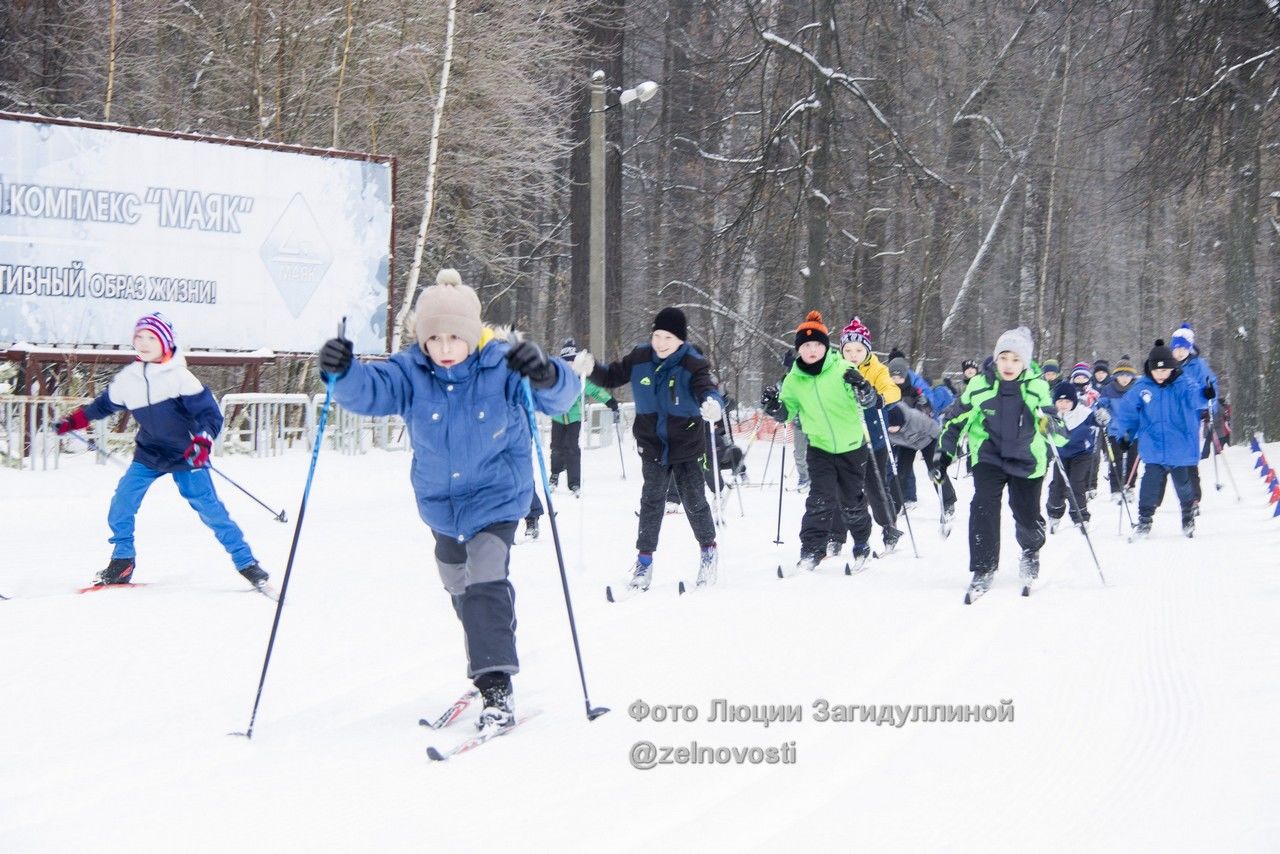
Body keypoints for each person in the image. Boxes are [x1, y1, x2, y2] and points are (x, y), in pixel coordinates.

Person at [317, 269, 577, 730]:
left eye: (453, 337)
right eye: (432, 338)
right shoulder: (409, 372)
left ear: (473, 335)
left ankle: (496, 686)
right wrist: (342, 371)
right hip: (441, 502)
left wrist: (545, 372)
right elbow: (369, 391)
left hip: (497, 496)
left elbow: (561, 398)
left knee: (485, 579)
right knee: (459, 584)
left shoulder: (501, 365)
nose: (443, 348)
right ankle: (488, 649)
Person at [54, 312, 269, 592]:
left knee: (211, 510)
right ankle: (122, 561)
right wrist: (74, 421)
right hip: (150, 454)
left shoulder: (180, 377)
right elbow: (103, 406)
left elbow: (210, 416)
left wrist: (203, 442)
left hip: (187, 454)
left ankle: (247, 563)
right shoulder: (129, 378)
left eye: (151, 338)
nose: (143, 343)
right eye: (138, 337)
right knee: (122, 503)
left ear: (165, 342)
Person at [574, 307, 724, 592]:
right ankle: (644, 562)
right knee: (651, 502)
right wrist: (592, 369)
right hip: (652, 443)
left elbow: (708, 390)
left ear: (680, 339)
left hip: (686, 443)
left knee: (694, 501)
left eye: (668, 337)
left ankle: (708, 551)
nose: (661, 342)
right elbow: (612, 376)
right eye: (657, 335)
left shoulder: (693, 363)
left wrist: (713, 404)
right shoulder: (640, 357)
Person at [937, 326, 1062, 598]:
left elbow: (1059, 430)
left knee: (1026, 513)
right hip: (989, 455)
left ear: (1025, 362)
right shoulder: (979, 385)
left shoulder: (1036, 387)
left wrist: (1050, 424)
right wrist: (943, 453)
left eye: (1016, 360)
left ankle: (1030, 551)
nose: (1008, 365)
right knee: (983, 505)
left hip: (1027, 457)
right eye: (1004, 358)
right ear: (995, 358)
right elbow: (956, 419)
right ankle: (983, 567)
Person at [762, 311, 876, 572]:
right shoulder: (793, 379)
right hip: (820, 447)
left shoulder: (842, 369)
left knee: (851, 501)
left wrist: (863, 388)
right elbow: (787, 412)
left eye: (817, 345)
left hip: (852, 447)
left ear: (825, 347)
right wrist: (774, 406)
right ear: (799, 349)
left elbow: (867, 401)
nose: (812, 350)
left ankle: (861, 543)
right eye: (806, 346)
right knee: (820, 499)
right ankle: (812, 550)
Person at [1107, 339, 1207, 539]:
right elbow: (1128, 414)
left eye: (1165, 371)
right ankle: (1144, 520)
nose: (1161, 375)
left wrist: (1206, 393)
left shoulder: (1183, 383)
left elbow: (1196, 397)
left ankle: (1187, 514)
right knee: (1149, 484)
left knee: (1183, 484)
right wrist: (1125, 434)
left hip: (1178, 447)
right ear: (1150, 369)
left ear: (1172, 368)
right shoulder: (1142, 387)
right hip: (1153, 447)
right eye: (1157, 371)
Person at [835, 316, 903, 554]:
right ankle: (836, 535)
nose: (853, 354)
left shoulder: (877, 369)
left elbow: (893, 390)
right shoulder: (835, 368)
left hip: (873, 439)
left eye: (859, 349)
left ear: (867, 350)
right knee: (841, 488)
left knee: (875, 487)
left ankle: (889, 526)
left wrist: (879, 398)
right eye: (848, 349)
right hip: (843, 439)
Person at [547, 339, 619, 496]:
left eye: (572, 361)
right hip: (557, 418)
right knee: (556, 447)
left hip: (574, 418)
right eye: (566, 362)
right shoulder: (555, 376)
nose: (569, 365)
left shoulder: (581, 378)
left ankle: (574, 483)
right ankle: (554, 475)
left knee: (572, 448)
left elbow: (594, 391)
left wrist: (610, 401)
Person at [1169, 323, 1218, 509]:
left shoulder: (1198, 365)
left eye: (1183, 348)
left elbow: (1210, 384)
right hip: (1171, 417)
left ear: (1189, 349)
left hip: (1191, 416)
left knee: (1189, 456)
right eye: (1176, 348)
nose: (1179, 352)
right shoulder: (1167, 365)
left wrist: (1209, 401)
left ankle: (1194, 498)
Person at [1045, 381, 1101, 532]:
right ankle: (1054, 513)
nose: (1063, 405)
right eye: (1060, 401)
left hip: (1082, 454)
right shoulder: (1052, 415)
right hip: (1061, 454)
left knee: (1076, 484)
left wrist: (1103, 419)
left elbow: (1098, 420)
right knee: (1058, 484)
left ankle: (1080, 516)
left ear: (1074, 401)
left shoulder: (1083, 413)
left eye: (1067, 401)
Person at [884, 404, 957, 518]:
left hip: (928, 440)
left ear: (901, 421)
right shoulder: (886, 427)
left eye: (894, 427)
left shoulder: (915, 418)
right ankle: (894, 505)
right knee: (901, 473)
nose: (891, 430)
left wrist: (943, 449)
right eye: (890, 427)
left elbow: (936, 431)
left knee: (935, 471)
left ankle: (948, 503)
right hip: (906, 444)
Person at [1095, 354, 1139, 502]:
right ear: (1116, 376)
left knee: (1132, 460)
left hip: (1134, 432)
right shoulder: (1109, 389)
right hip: (1115, 431)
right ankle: (1116, 488)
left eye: (1128, 375)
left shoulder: (1137, 389)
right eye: (1121, 375)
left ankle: (1130, 486)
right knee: (1116, 460)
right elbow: (1101, 404)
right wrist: (1101, 412)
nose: (1124, 378)